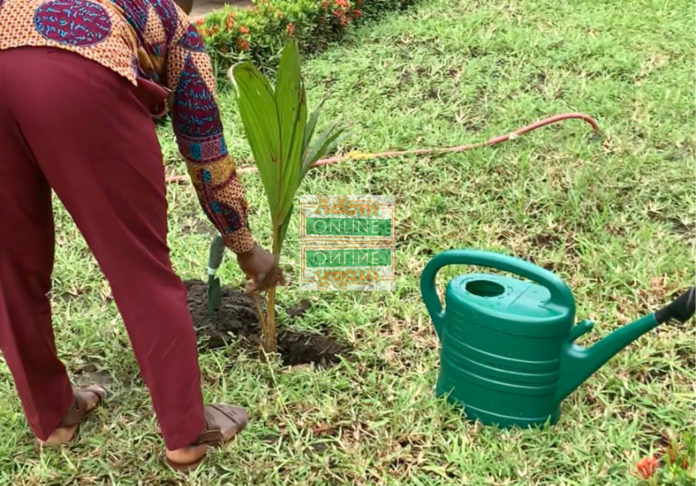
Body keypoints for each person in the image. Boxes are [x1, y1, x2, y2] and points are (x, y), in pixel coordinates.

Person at [0, 0, 283, 471]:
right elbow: (204, 146)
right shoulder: (172, 21)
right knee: (140, 266)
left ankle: (53, 417)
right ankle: (187, 433)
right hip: (81, 83)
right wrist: (245, 247)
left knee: (8, 265)